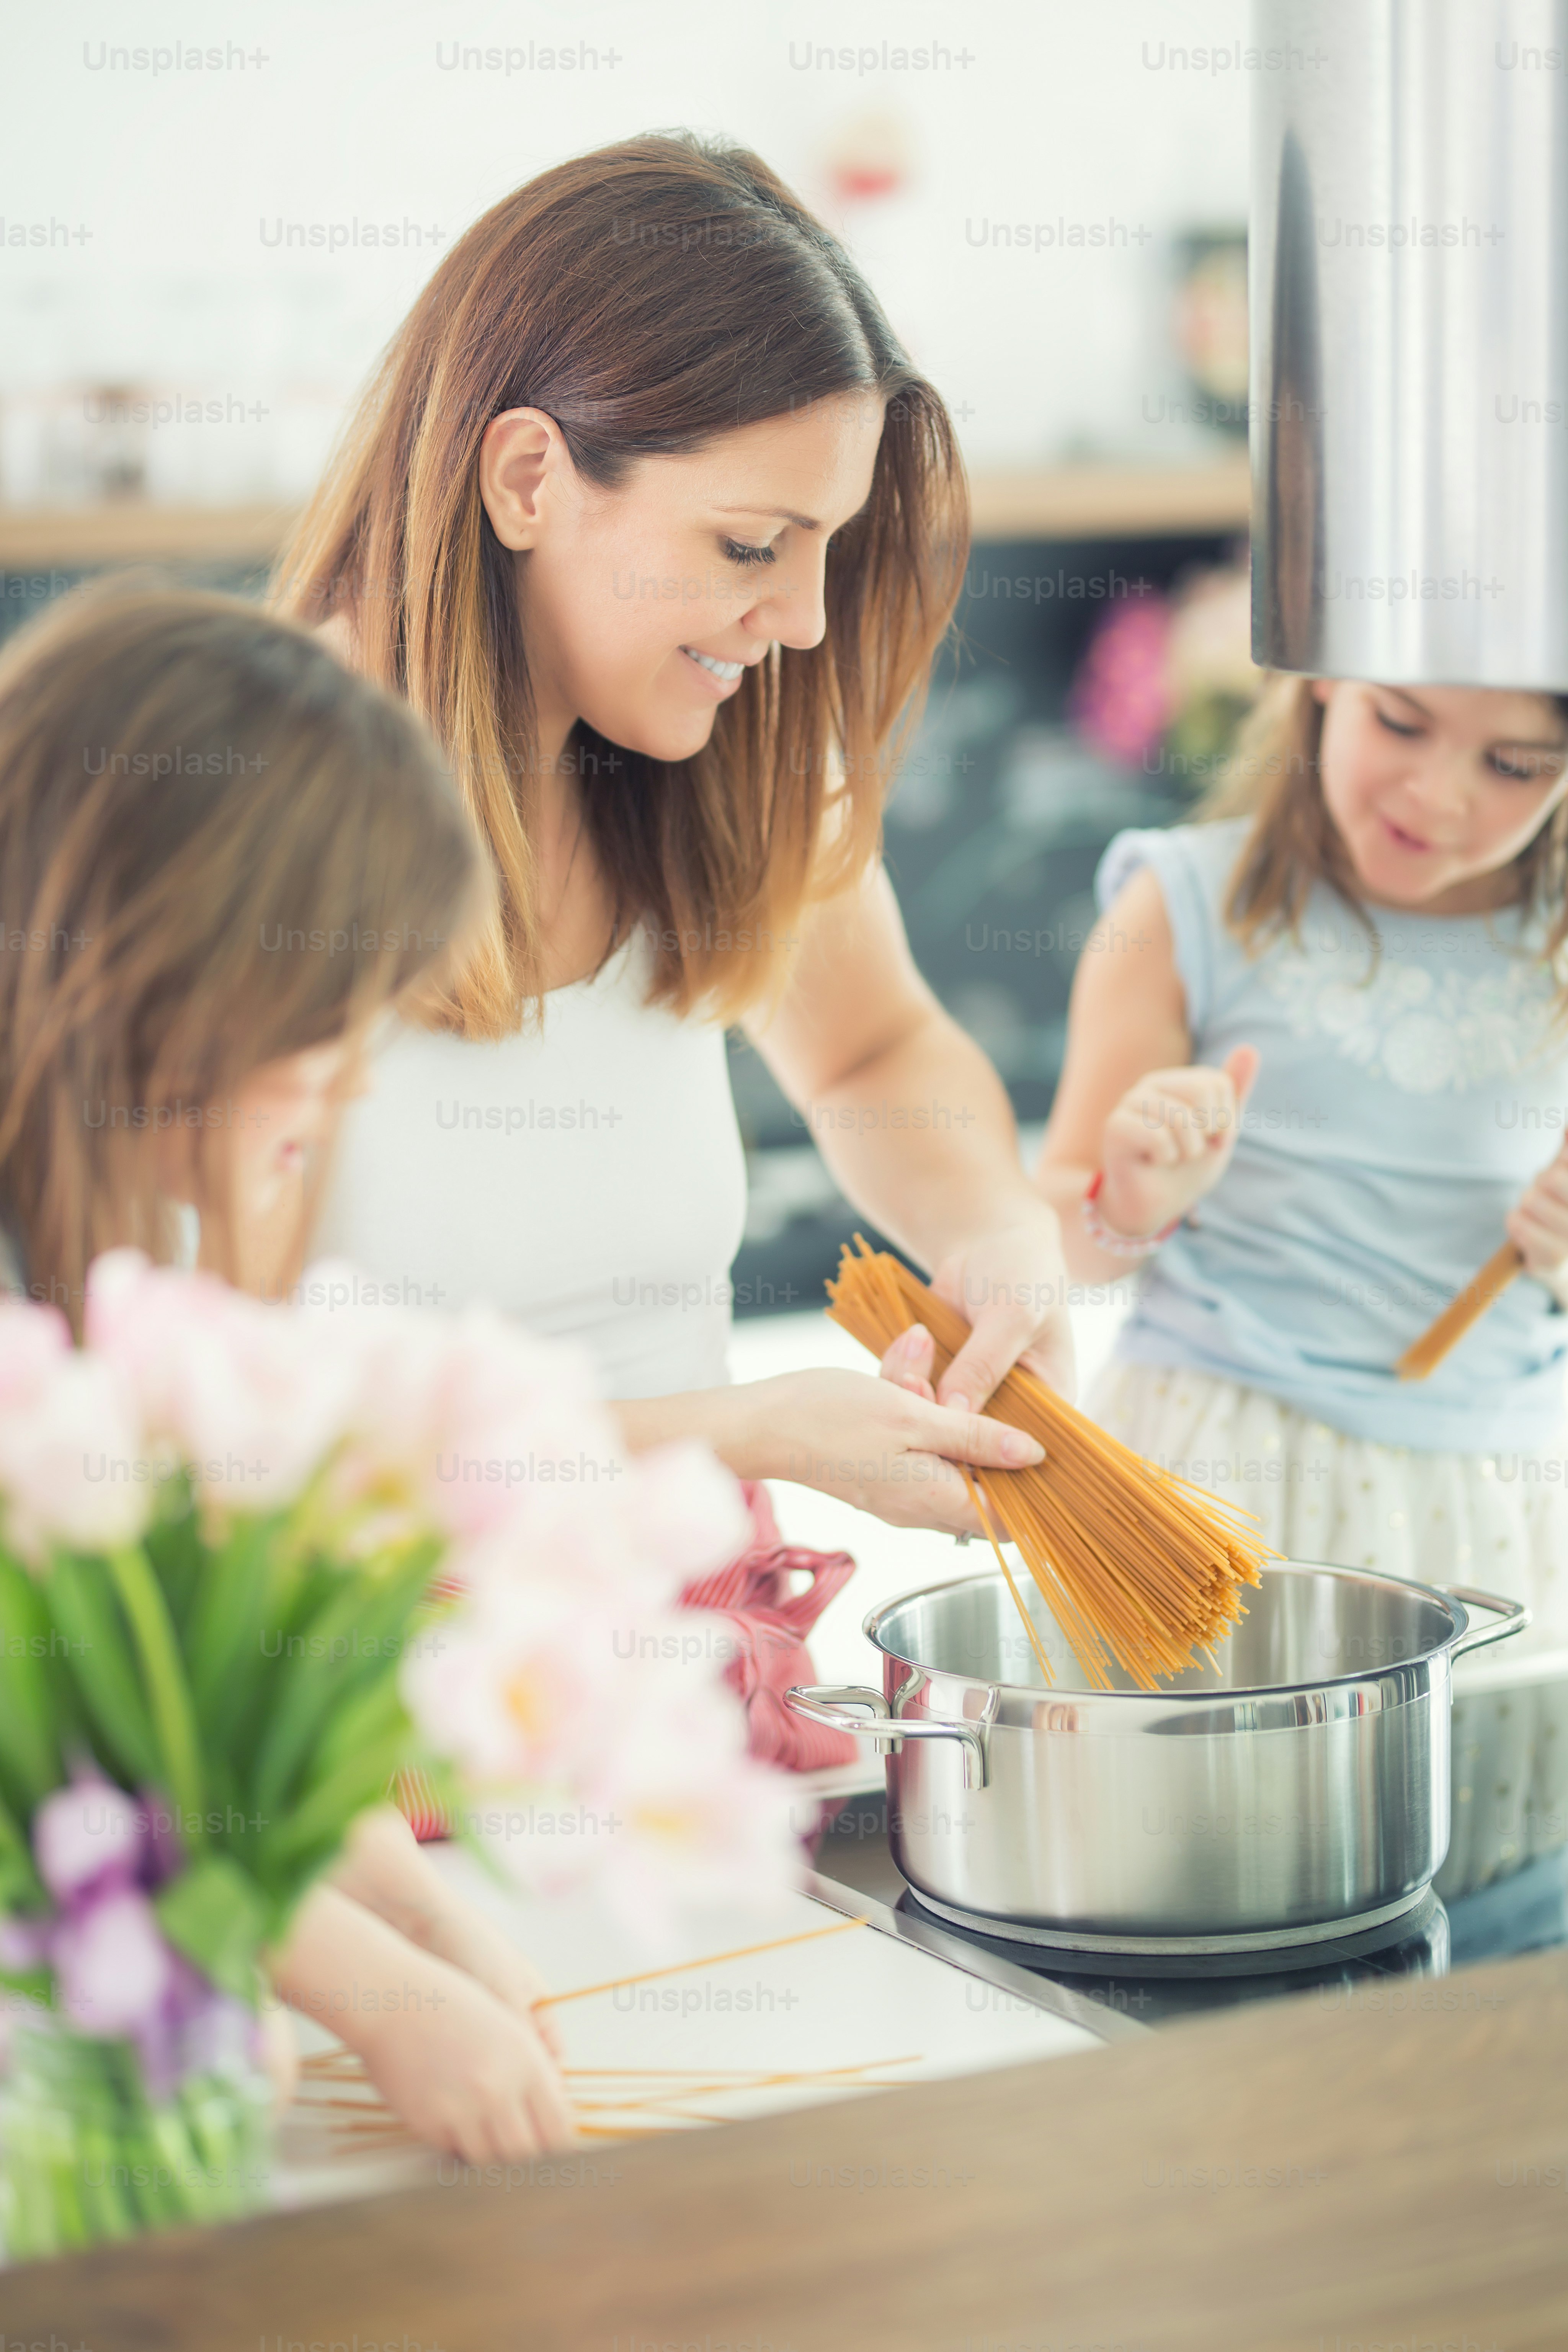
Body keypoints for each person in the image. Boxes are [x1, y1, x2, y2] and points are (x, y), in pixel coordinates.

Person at [274, 132, 1071, 1548]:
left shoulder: (721, 760)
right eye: (753, 547)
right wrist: (744, 1431)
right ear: (527, 478)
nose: (808, 624)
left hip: (678, 1688)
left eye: (825, 544)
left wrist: (1001, 1242)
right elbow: (221, 1440)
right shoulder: (240, 820)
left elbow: (874, 1049)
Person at [0, 581, 572, 2156]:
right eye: (318, 1040)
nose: (339, 1097)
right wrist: (364, 1989)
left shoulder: (103, 1245)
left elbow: (168, 1706)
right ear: (160, 971)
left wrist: (418, 1923)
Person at [1036, 670, 1568, 1650]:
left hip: (1496, 1488)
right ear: (1324, 680)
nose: (1434, 794)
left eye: (1513, 765)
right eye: (1401, 723)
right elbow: (1060, 1245)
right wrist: (1134, 1197)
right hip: (1212, 1470)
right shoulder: (1183, 904)